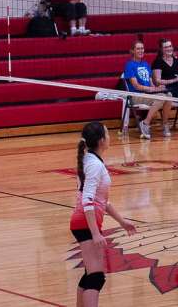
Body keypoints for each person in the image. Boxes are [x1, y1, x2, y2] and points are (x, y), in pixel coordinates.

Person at [70, 121, 136, 307]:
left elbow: (102, 201)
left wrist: (122, 222)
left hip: (83, 222)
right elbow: (88, 201)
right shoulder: (94, 165)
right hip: (85, 222)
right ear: (100, 141)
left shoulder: (92, 161)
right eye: (107, 134)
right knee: (96, 277)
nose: (110, 137)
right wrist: (95, 233)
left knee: (91, 273)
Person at [124, 40, 173, 139]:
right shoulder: (129, 65)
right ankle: (145, 123)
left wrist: (157, 88)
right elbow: (136, 86)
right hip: (136, 95)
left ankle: (164, 124)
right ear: (133, 51)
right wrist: (150, 89)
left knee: (169, 96)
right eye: (138, 48)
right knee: (161, 97)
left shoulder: (146, 64)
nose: (141, 50)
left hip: (147, 93)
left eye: (142, 48)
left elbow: (151, 82)